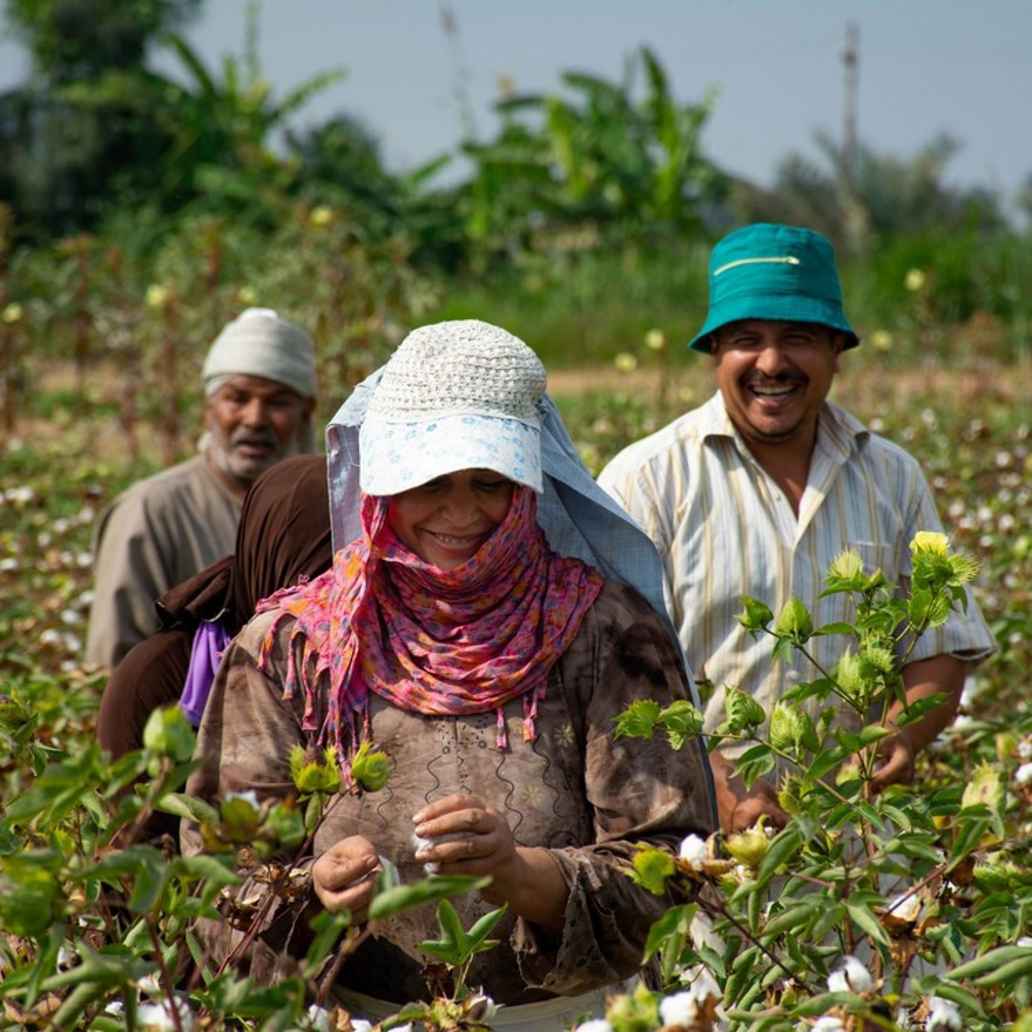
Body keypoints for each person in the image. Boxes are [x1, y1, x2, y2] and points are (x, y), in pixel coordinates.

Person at [182, 320, 716, 1029]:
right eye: (429, 482)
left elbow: (672, 857)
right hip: (356, 1016)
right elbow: (219, 862)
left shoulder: (605, 634)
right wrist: (312, 889)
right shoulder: (297, 647)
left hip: (564, 1018)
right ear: (384, 483)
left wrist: (527, 877)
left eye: (488, 483)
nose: (461, 514)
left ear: (528, 484)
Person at [599, 223, 996, 834]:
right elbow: (613, 677)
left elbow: (941, 649)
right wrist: (717, 787)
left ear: (837, 348)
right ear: (715, 353)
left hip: (858, 841)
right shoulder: (648, 479)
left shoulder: (894, 478)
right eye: (746, 339)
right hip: (692, 842)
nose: (772, 362)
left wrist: (896, 736)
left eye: (798, 338)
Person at [86, 308, 318, 668]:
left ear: (307, 413)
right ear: (207, 409)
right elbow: (114, 665)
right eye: (237, 398)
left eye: (277, 402)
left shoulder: (334, 512)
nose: (255, 419)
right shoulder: (150, 511)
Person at [96, 454, 332, 759]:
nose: (327, 601)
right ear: (265, 555)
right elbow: (130, 805)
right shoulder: (161, 679)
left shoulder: (380, 664)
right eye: (318, 578)